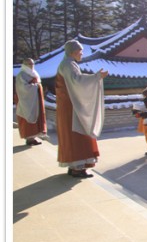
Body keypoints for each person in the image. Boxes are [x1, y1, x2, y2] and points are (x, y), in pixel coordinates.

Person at [55, 40, 107, 178]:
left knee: (76, 134)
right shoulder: (68, 64)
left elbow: (75, 82)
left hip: (69, 104)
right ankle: (77, 167)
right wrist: (96, 77)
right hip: (72, 106)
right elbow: (77, 82)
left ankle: (75, 166)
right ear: (73, 51)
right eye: (80, 51)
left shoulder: (68, 63)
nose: (82, 53)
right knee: (78, 134)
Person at [15, 58, 48, 146]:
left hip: (35, 100)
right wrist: (35, 87)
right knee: (28, 119)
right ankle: (29, 138)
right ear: (25, 65)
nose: (31, 65)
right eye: (29, 64)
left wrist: (37, 86)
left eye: (32, 64)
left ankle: (33, 138)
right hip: (27, 102)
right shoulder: (21, 75)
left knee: (37, 117)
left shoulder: (34, 73)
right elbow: (23, 88)